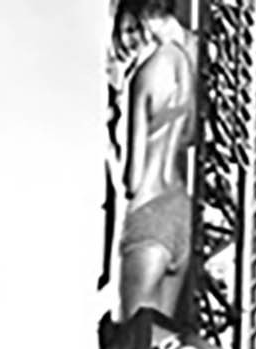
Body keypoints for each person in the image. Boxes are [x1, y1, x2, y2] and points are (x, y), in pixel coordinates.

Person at [110, 0, 196, 323]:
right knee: (163, 340)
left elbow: (132, 180)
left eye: (132, 29)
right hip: (180, 211)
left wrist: (111, 153)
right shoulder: (184, 64)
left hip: (147, 210)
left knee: (135, 339)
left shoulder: (142, 78)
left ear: (145, 17)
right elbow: (188, 133)